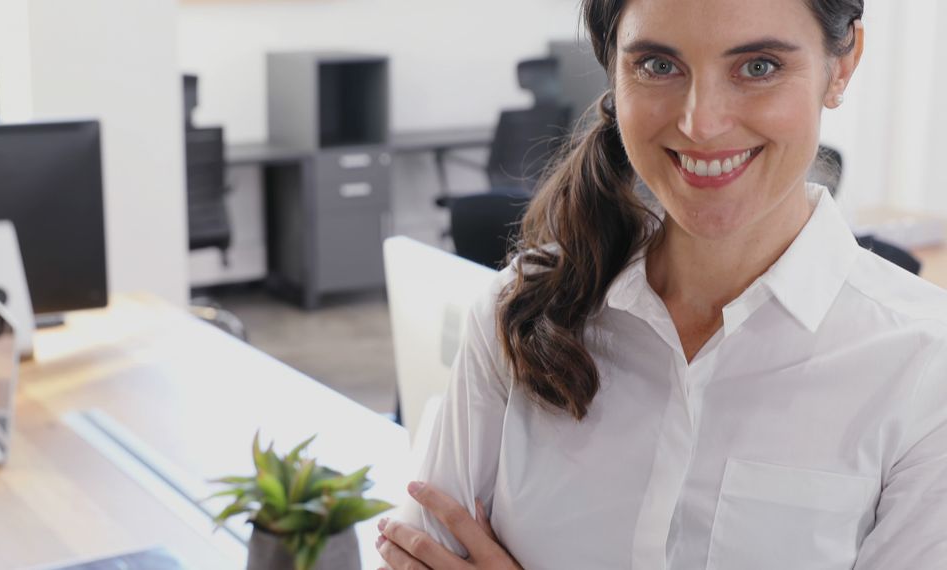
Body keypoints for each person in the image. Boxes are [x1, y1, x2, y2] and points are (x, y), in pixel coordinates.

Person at [376, 0, 947, 568]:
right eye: (657, 65)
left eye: (759, 66)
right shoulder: (524, 310)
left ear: (841, 66)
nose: (701, 123)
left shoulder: (926, 369)